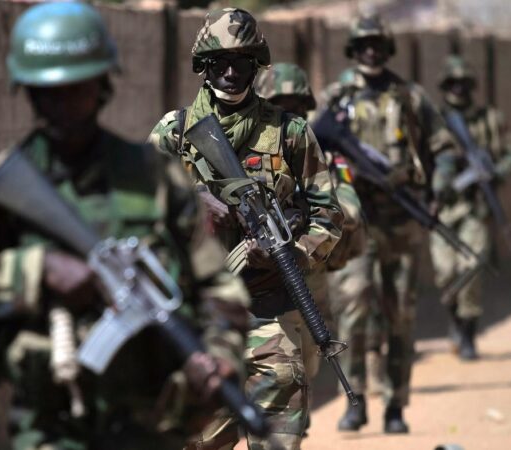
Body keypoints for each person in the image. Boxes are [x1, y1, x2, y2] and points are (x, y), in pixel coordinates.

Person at [0, 3, 250, 449]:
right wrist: (38, 272)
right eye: (48, 91)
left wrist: (220, 357)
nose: (64, 103)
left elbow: (218, 287)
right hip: (51, 423)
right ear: (29, 93)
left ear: (102, 85)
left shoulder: (153, 178)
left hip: (152, 420)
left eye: (78, 88)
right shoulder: (4, 185)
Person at [149, 9, 343, 449]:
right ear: (204, 65)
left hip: (268, 311)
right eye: (221, 62)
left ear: (258, 65)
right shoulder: (174, 134)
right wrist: (193, 206)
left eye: (243, 62)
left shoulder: (291, 133)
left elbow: (328, 214)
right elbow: (136, 216)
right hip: (196, 316)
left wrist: (293, 253)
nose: (232, 72)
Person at [320, 12, 457, 434]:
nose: (371, 50)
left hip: (402, 219)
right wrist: (341, 177)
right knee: (354, 309)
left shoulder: (410, 97)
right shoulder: (336, 96)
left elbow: (445, 148)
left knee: (400, 315)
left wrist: (439, 192)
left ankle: (395, 405)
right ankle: (355, 400)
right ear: (353, 49)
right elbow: (309, 147)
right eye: (364, 44)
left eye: (378, 43)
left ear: (388, 47)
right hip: (355, 220)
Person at [255, 62, 367, 435]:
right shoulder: (251, 154)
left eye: (295, 106)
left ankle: (291, 428)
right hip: (253, 276)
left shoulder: (325, 158)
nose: (288, 114)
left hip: (305, 271)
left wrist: (310, 215)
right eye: (278, 105)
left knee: (304, 364)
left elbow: (349, 208)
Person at [431, 55, 511, 360]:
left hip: (474, 207)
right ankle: (455, 321)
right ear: (444, 86)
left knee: (471, 269)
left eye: (463, 83)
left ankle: (468, 334)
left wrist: (494, 171)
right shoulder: (434, 121)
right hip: (441, 210)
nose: (458, 89)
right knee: (446, 274)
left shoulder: (490, 119)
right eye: (452, 83)